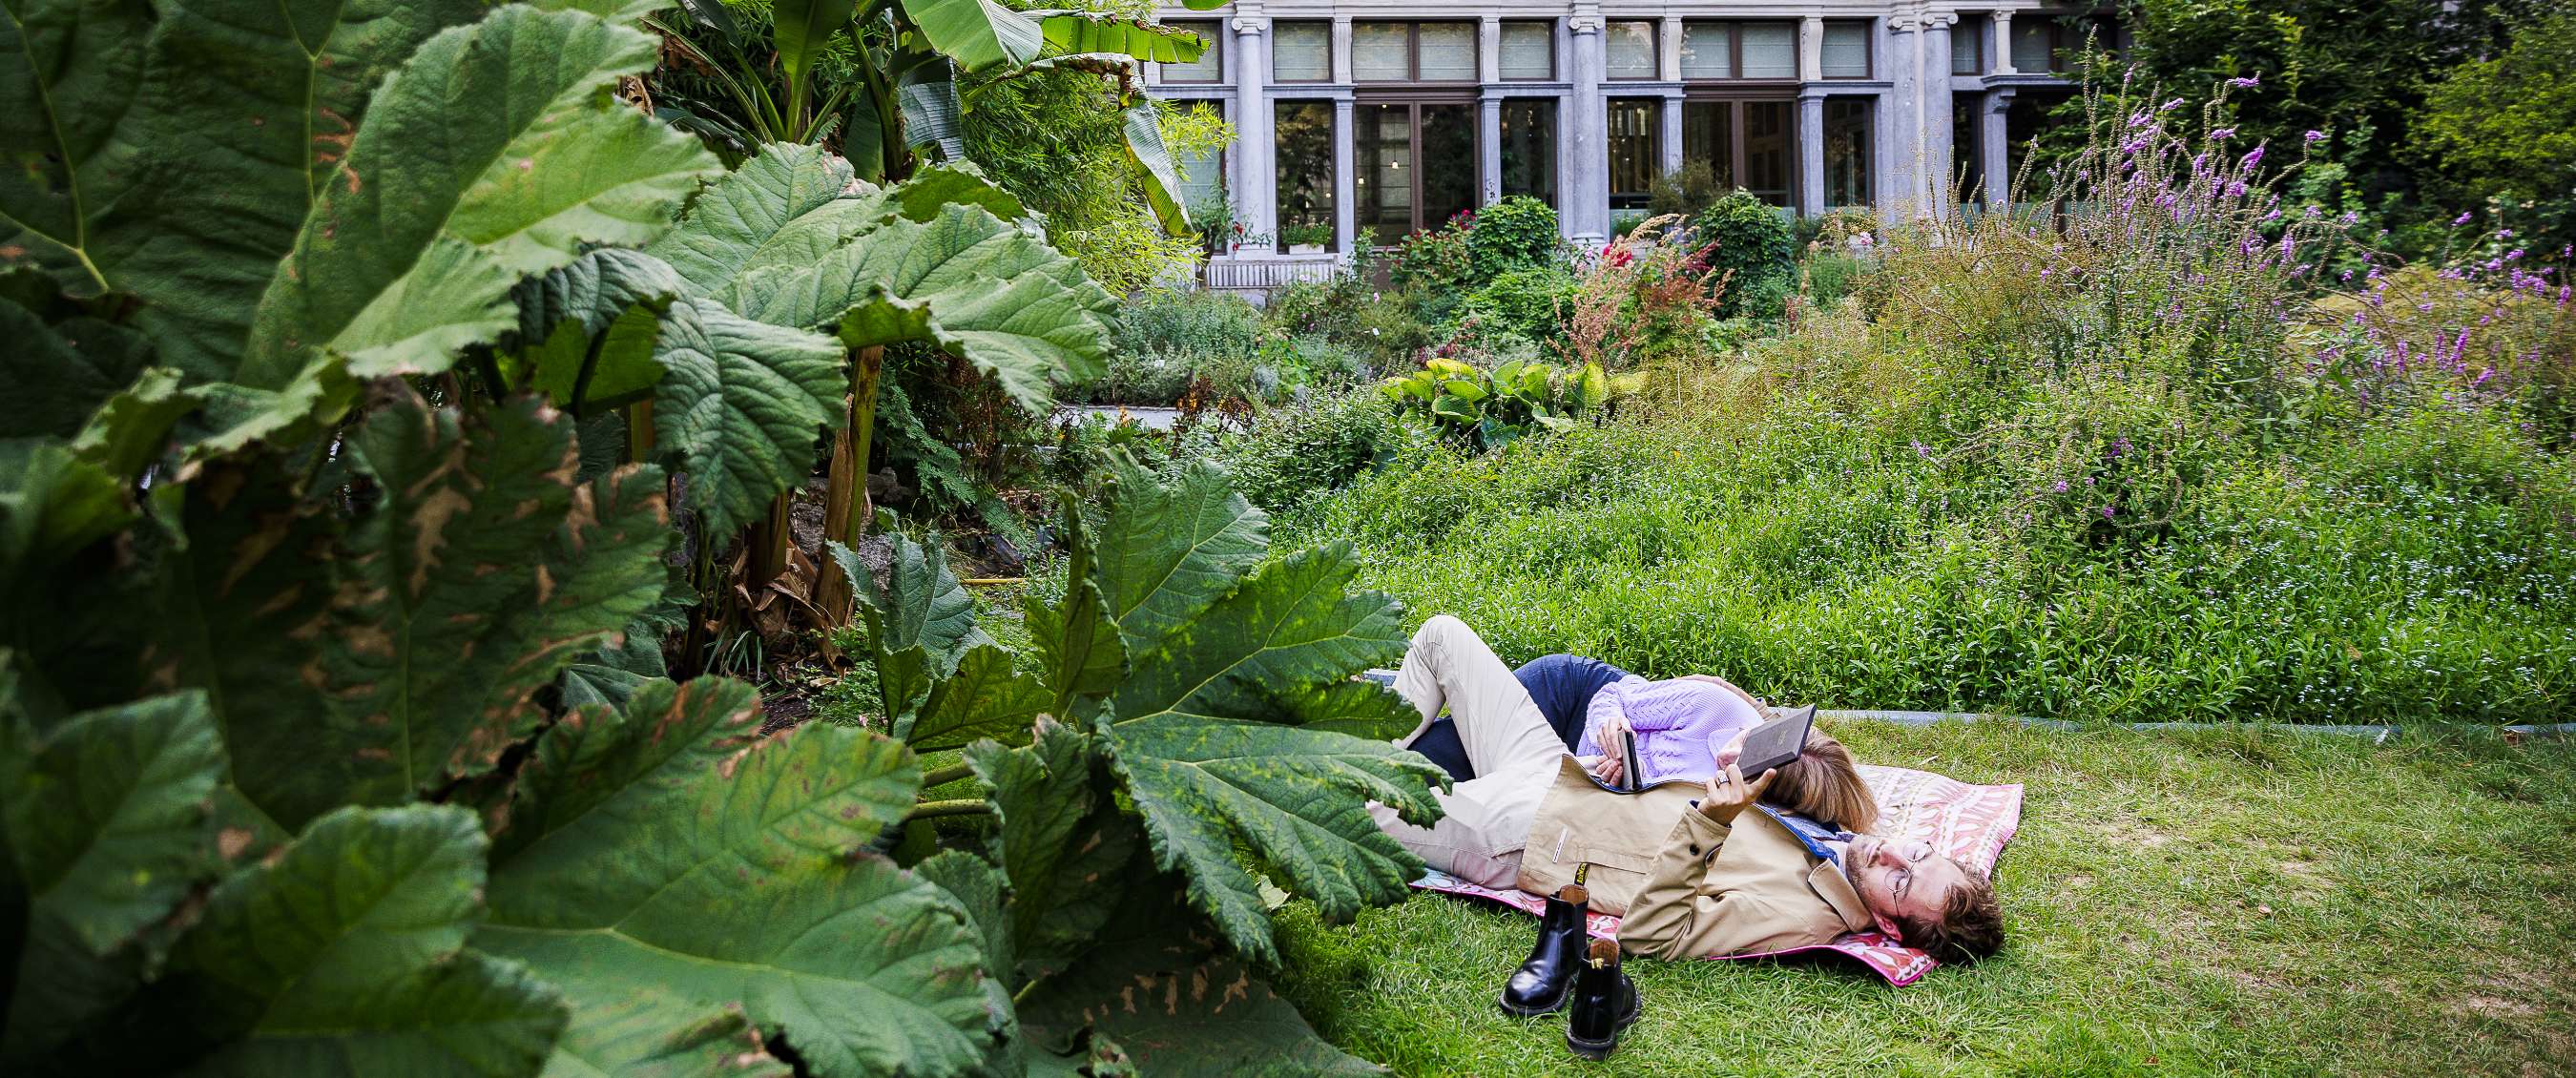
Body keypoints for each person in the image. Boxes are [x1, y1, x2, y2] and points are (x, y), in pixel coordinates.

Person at [1371, 615, 2001, 964]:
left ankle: (1338, 759)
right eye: (1915, 854)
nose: (1892, 854)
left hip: (1528, 833)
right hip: (1565, 772)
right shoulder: (1832, 833)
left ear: (1890, 930)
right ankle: (1352, 742)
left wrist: (1712, 819)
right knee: (1440, 637)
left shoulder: (1803, 913)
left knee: (1355, 804)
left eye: (1900, 882)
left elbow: (1651, 934)